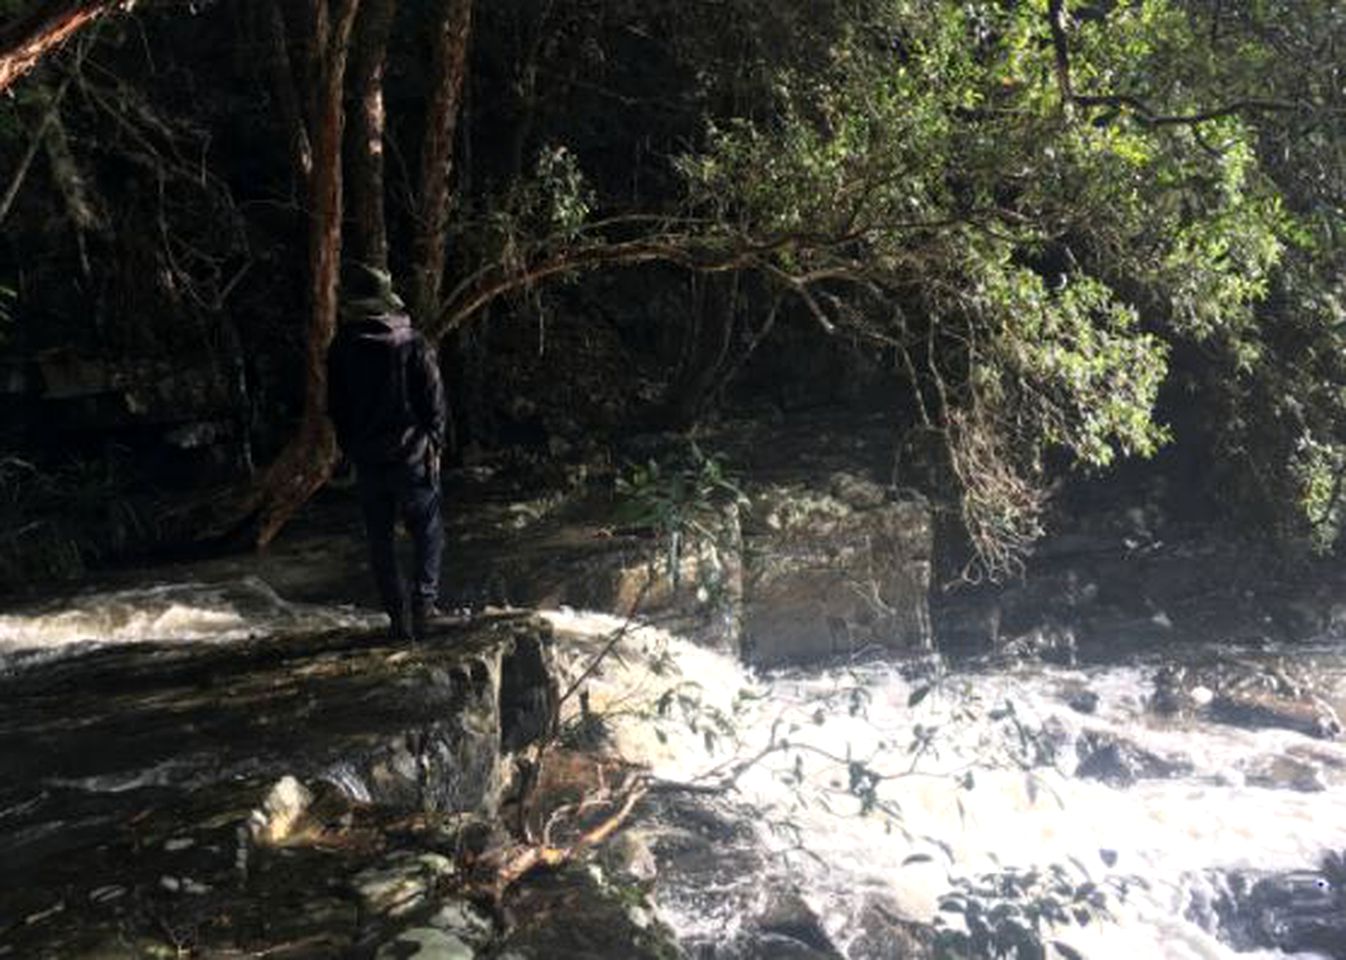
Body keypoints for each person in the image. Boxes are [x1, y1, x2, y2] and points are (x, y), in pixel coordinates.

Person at [327, 263, 450, 642]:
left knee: (380, 542)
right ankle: (424, 607)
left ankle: (398, 620)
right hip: (412, 457)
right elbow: (435, 405)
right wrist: (436, 444)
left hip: (369, 459)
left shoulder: (342, 347)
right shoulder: (413, 343)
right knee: (428, 534)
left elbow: (337, 408)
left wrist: (351, 449)